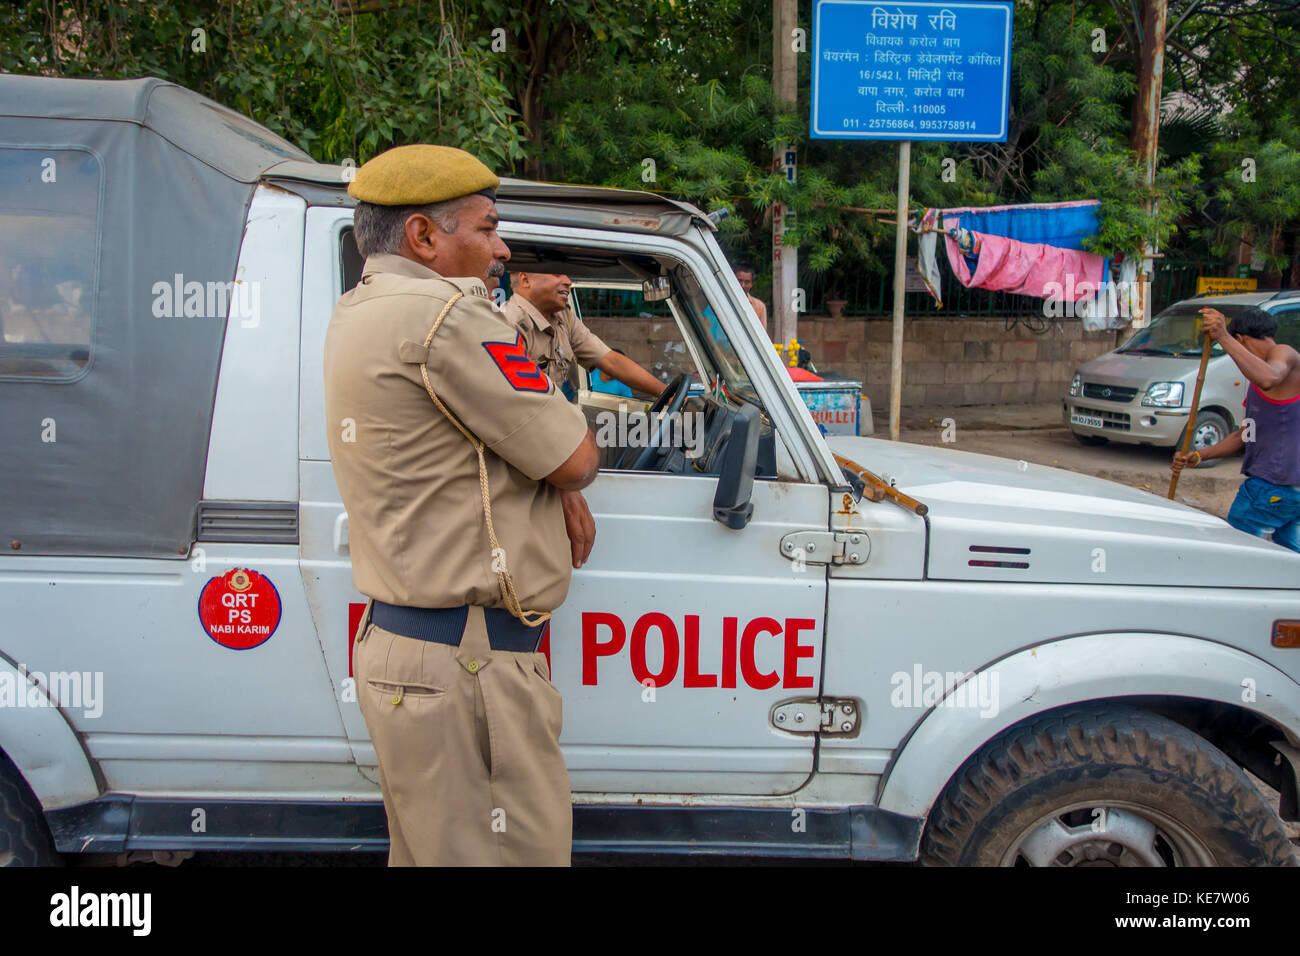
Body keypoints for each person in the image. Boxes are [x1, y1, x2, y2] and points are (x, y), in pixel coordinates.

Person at [322, 144, 600, 866]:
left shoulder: (358, 308)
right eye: (486, 227)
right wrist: (561, 481)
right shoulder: (450, 317)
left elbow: (469, 453)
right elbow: (576, 456)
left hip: (412, 651)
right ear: (424, 236)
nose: (502, 247)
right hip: (469, 668)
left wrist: (550, 481)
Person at [1171, 305, 1300, 552]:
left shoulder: (1283, 354)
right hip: (1286, 491)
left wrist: (1223, 336)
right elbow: (1245, 435)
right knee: (1290, 559)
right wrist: (1198, 456)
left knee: (1237, 554)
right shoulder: (1256, 385)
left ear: (1241, 339)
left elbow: (1269, 377)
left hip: (1272, 487)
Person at [501, 272, 666, 401]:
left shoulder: (563, 318)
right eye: (557, 274)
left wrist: (666, 393)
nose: (568, 281)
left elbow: (611, 361)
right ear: (525, 280)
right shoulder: (508, 323)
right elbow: (520, 402)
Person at [733, 263, 769, 339]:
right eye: (739, 281)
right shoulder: (723, 300)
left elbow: (762, 336)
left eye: (747, 282)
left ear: (751, 284)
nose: (742, 285)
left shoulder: (759, 306)